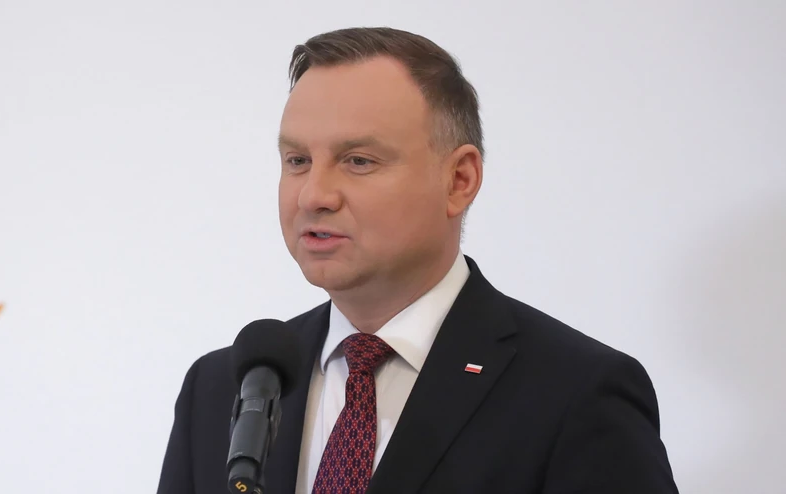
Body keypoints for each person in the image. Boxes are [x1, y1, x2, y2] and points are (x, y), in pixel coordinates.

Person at [157, 27, 679, 494]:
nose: (313, 195)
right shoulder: (220, 387)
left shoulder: (575, 393)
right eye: (297, 160)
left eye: (358, 161)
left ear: (459, 180)